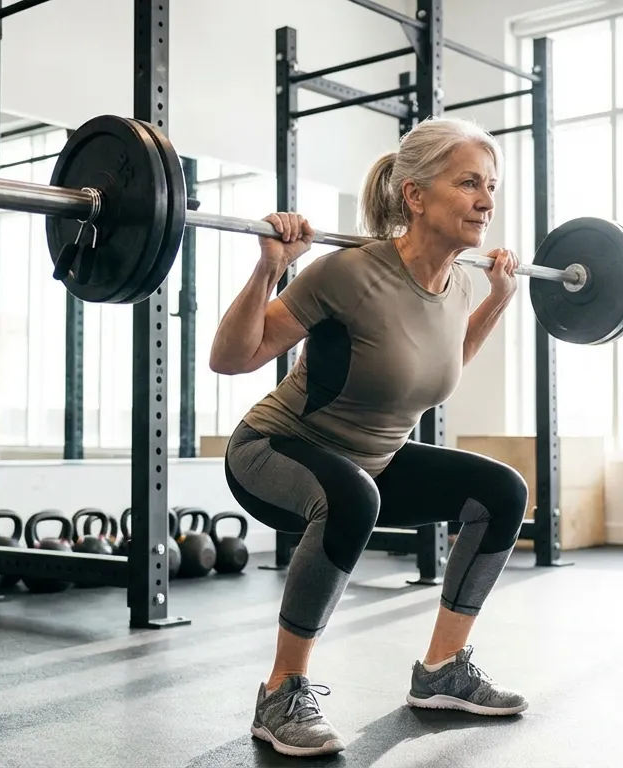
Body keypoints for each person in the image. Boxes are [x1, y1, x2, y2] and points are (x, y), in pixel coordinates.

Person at [209, 116, 530, 758]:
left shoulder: (460, 281)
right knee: (353, 497)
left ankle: (443, 671)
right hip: (274, 450)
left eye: (490, 186)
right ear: (415, 195)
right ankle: (281, 692)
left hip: (371, 463)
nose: (486, 201)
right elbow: (232, 358)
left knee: (501, 491)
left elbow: (440, 366)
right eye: (469, 182)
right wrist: (268, 268)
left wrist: (497, 298)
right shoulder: (346, 272)